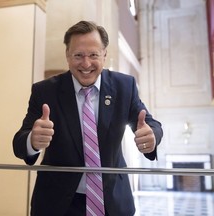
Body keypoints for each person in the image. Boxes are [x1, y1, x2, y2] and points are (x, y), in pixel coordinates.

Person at [13, 21, 163, 216]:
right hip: (58, 203)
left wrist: (151, 137)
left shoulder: (124, 86)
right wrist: (32, 141)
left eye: (93, 55)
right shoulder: (45, 91)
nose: (86, 64)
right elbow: (19, 143)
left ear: (104, 54)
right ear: (67, 55)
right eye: (78, 55)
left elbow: (151, 125)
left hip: (113, 202)